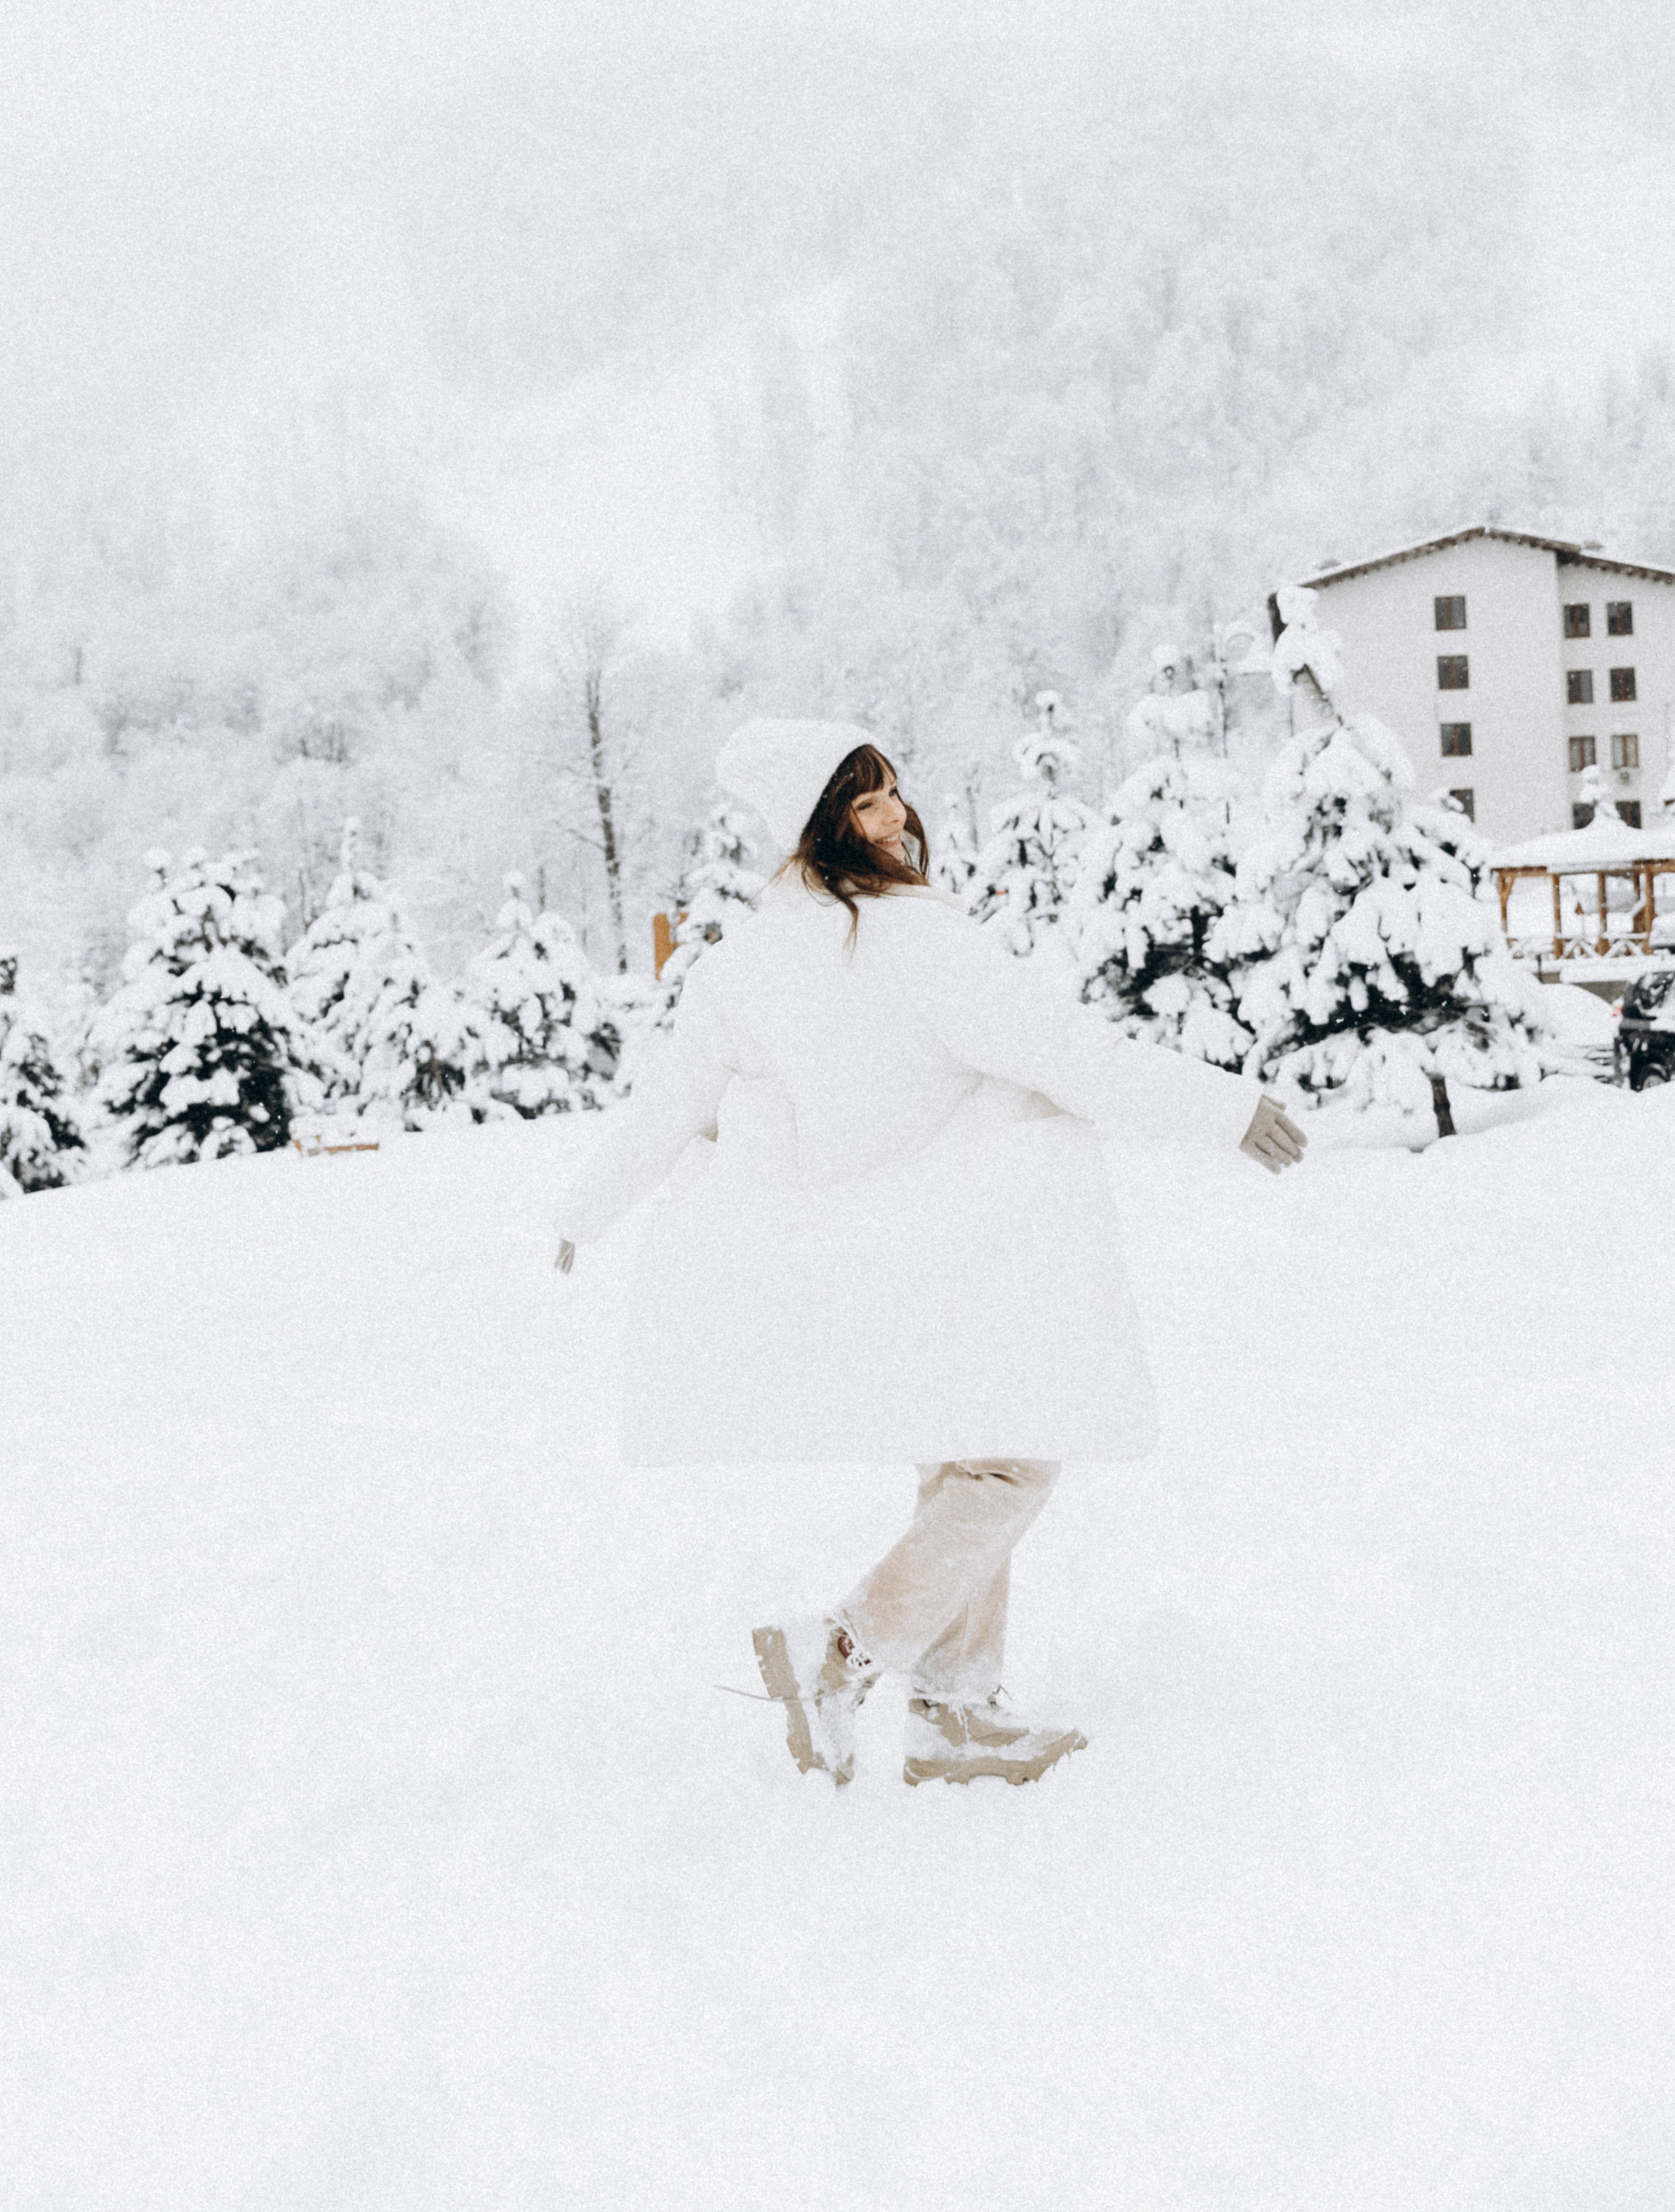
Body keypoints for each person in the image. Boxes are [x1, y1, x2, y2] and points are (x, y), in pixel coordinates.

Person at [553, 716, 1305, 1790]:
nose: (896, 815)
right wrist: (1224, 1109)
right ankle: (842, 1654)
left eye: (893, 791)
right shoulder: (911, 939)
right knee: (1009, 1463)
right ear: (821, 822)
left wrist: (585, 1211)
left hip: (865, 1269)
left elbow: (667, 1106)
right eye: (866, 801)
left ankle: (954, 1713)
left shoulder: (744, 965)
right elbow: (1069, 1053)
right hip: (955, 1255)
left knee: (965, 1465)